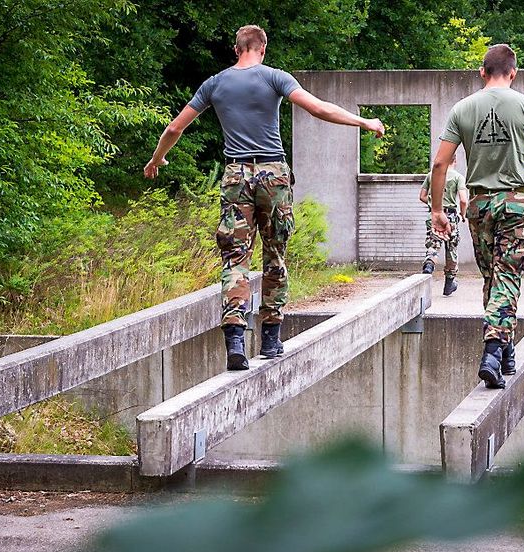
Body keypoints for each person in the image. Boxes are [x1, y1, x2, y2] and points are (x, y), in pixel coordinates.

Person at [144, 25, 385, 371]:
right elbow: (317, 108)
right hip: (273, 176)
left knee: (235, 261)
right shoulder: (275, 78)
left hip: (235, 177)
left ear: (236, 48)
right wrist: (364, 122)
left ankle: (236, 342)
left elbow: (174, 128)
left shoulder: (215, 83)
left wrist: (157, 159)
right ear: (262, 48)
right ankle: (271, 339)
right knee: (275, 255)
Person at [429, 44, 524, 390]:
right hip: (515, 205)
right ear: (513, 72)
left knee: (494, 280)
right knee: (506, 278)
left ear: (482, 72)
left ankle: (506, 351)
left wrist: (437, 210)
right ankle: (493, 352)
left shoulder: (461, 110)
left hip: (479, 207)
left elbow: (439, 165)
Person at [419, 155, 468, 296]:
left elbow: (422, 196)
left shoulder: (431, 175)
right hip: (451, 217)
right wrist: (462, 214)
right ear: (455, 160)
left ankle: (429, 265)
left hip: (434, 217)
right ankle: (449, 284)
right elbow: (463, 200)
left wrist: (433, 205)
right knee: (451, 249)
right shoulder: (458, 177)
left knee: (433, 246)